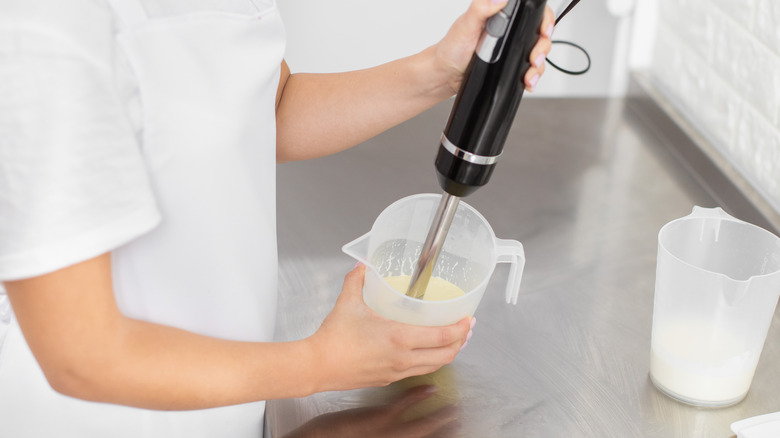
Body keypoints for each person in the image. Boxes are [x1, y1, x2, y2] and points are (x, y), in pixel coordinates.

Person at [0, 0, 554, 436]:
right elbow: (83, 356)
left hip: (228, 406)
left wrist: (437, 72)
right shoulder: (48, 28)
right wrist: (320, 362)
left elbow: (268, 109)